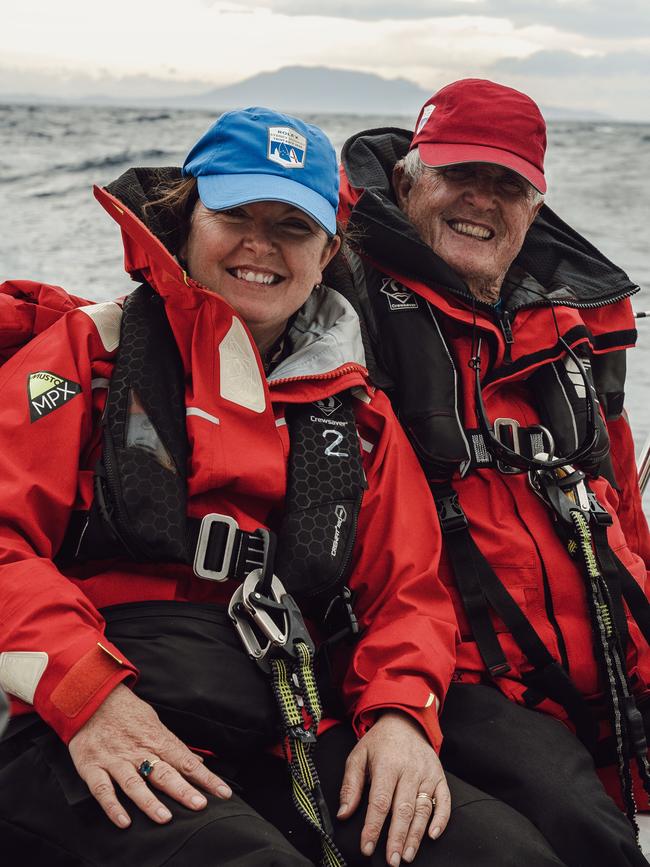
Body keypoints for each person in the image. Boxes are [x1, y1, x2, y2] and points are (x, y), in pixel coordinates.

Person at [0, 106, 567, 867]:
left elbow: (410, 595)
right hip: (87, 715)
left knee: (503, 854)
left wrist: (400, 715)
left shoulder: (360, 416)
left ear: (328, 248)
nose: (259, 245)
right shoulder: (83, 355)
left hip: (288, 720)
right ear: (187, 214)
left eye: (292, 227)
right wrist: (90, 697)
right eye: (236, 213)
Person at [334, 78, 650, 867]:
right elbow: (218, 291)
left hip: (607, 646)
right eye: (457, 174)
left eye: (506, 183)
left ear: (535, 207)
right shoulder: (339, 296)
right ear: (409, 177)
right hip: (458, 668)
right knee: (584, 827)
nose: (481, 199)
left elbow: (622, 507)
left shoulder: (573, 326)